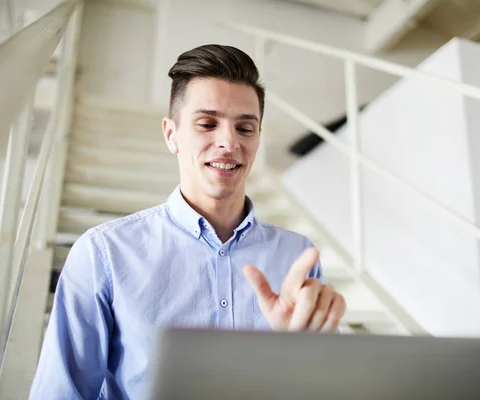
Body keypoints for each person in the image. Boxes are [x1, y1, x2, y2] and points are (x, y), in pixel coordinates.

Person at [30, 44, 346, 399]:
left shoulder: (296, 255)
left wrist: (301, 353)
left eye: (245, 128)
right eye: (207, 124)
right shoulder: (103, 253)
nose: (228, 142)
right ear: (171, 135)